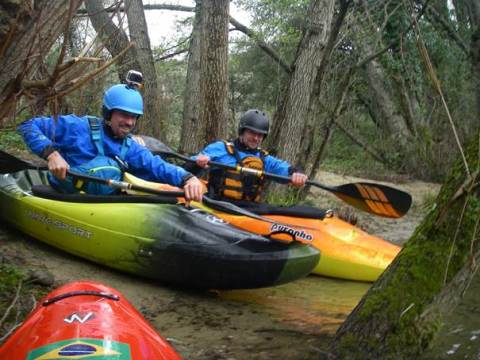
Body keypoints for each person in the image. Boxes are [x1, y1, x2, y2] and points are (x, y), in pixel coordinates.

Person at [18, 83, 204, 202]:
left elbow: (158, 166)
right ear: (108, 113)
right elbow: (28, 125)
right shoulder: (78, 126)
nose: (130, 122)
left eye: (134, 117)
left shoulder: (130, 148)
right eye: (124, 115)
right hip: (63, 196)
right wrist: (51, 154)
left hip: (99, 206)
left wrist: (189, 178)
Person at [193, 109, 307, 203]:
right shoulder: (220, 148)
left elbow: (283, 168)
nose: (256, 138)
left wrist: (297, 173)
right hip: (217, 203)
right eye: (252, 133)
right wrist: (199, 163)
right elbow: (189, 166)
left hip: (249, 210)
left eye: (260, 135)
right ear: (242, 131)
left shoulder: (264, 158)